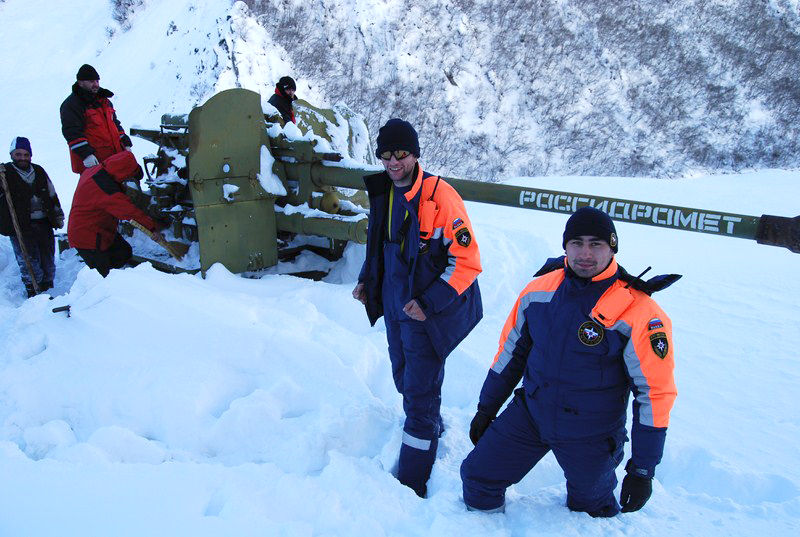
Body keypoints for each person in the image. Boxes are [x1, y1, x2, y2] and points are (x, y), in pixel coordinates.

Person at [460, 207, 679, 517]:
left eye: (596, 244)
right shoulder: (539, 290)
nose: (585, 253)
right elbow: (511, 354)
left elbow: (654, 393)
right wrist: (486, 408)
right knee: (477, 478)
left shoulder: (639, 311)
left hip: (591, 431)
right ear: (565, 246)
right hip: (532, 414)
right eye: (576, 243)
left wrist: (642, 469)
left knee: (589, 509)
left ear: (612, 248)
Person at [352, 119, 482, 498]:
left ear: (415, 154)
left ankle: (411, 482)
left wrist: (429, 303)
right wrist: (367, 281)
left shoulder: (441, 199)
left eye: (401, 154)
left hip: (423, 311)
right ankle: (429, 424)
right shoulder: (383, 192)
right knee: (404, 379)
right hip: (394, 307)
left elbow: (468, 262)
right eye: (387, 155)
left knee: (420, 394)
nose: (394, 162)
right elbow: (379, 244)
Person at [68, 151, 162, 277]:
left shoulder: (96, 170)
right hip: (88, 238)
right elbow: (129, 212)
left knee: (124, 253)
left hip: (100, 229)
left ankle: (116, 274)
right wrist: (152, 228)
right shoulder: (106, 190)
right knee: (102, 276)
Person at [0, 137, 64, 297]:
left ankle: (48, 288)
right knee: (28, 261)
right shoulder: (4, 173)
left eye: (26, 154)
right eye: (18, 154)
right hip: (20, 226)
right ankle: (33, 291)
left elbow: (51, 193)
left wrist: (58, 215)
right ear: (11, 154)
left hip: (44, 222)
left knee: (47, 260)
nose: (22, 158)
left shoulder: (39, 170)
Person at [60, 64, 133, 174]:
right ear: (80, 82)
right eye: (91, 81)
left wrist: (125, 142)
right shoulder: (72, 105)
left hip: (115, 158)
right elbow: (72, 132)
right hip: (94, 163)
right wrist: (86, 155)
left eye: (97, 81)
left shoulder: (105, 101)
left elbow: (115, 124)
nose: (95, 84)